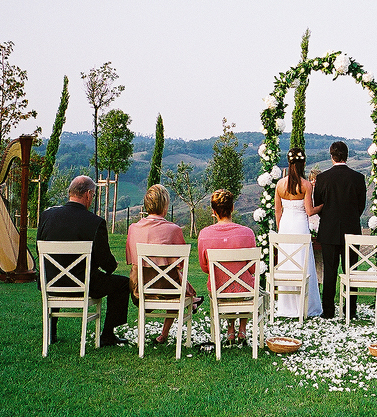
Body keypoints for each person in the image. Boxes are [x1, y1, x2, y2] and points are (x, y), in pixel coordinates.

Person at [36, 174, 132, 346]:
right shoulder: (95, 222)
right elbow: (105, 260)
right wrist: (112, 266)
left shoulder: (47, 215)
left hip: (50, 281)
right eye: (93, 196)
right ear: (88, 194)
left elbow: (39, 247)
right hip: (83, 284)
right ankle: (108, 335)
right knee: (123, 284)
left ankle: (51, 332)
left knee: (59, 271)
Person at [126, 182, 195, 346]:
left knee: (174, 281)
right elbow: (180, 265)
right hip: (169, 289)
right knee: (177, 283)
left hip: (140, 288)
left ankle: (191, 297)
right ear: (165, 205)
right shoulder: (174, 230)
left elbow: (131, 260)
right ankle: (164, 333)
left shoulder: (133, 228)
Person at [308, 140, 367, 319]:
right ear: (346, 156)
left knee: (330, 271)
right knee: (351, 271)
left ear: (331, 156)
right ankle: (351, 310)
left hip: (328, 231)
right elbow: (361, 206)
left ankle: (328, 311)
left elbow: (318, 203)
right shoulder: (358, 178)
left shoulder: (323, 178)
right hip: (352, 231)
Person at [197, 187, 257, 344]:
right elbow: (253, 269)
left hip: (219, 289)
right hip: (245, 291)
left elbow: (205, 268)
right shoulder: (248, 233)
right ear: (232, 208)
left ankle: (230, 329)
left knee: (226, 284)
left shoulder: (204, 234)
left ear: (213, 211)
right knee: (245, 284)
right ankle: (242, 329)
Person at [271, 148, 323, 319]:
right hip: (300, 225)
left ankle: (287, 307)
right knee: (302, 263)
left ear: (289, 162)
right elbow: (309, 211)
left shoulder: (280, 185)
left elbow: (278, 212)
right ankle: (305, 306)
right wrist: (323, 205)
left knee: (287, 264)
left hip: (285, 226)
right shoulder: (306, 185)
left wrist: (280, 231)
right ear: (304, 163)